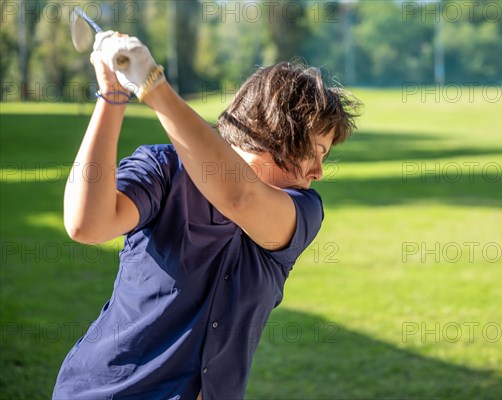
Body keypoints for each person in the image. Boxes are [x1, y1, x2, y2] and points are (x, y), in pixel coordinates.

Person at [53, 31, 360, 400]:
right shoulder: (164, 169)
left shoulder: (304, 210)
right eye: (317, 151)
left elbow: (239, 198)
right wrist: (114, 94)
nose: (319, 172)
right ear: (280, 132)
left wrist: (152, 85)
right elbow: (86, 223)